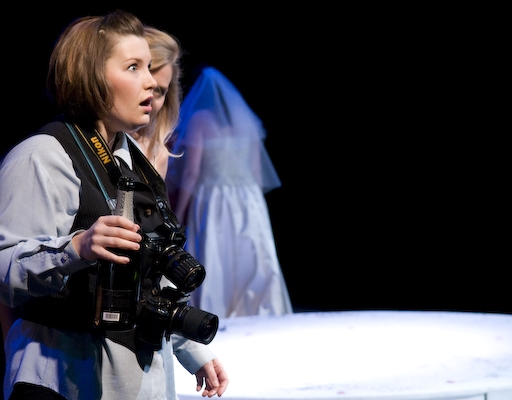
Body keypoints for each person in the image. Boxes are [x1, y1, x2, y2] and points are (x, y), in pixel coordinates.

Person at [0, 11, 228, 400]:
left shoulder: (133, 158)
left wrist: (191, 349)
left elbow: (151, 273)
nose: (151, 81)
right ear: (91, 76)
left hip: (137, 375)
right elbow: (5, 268)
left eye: (149, 68)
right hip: (65, 376)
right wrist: (75, 248)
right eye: (133, 67)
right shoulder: (42, 156)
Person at [166, 66, 293, 318]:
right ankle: (259, 309)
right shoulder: (246, 120)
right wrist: (255, 206)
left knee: (217, 253)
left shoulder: (199, 120)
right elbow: (256, 172)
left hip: (214, 199)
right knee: (252, 253)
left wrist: (177, 214)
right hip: (248, 198)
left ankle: (217, 309)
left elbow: (191, 173)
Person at [128, 26, 181, 179]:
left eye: (158, 91)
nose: (149, 97)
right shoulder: (81, 139)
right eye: (143, 83)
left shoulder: (158, 156)